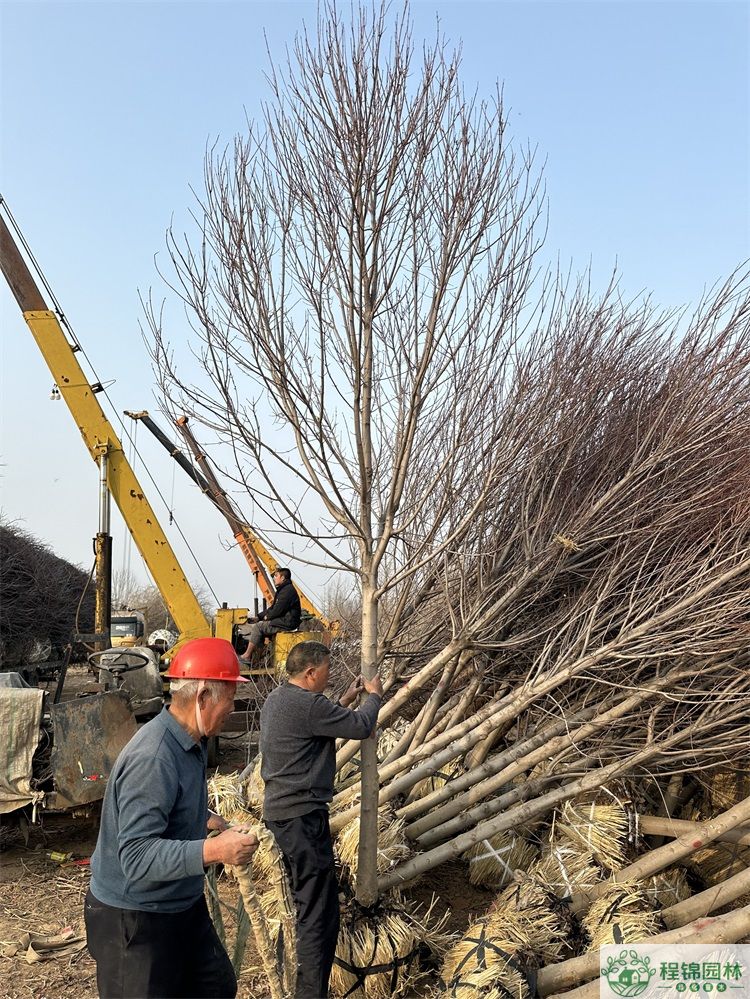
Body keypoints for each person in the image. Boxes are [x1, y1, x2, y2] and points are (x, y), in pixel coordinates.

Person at [84, 637, 259, 999]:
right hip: (134, 918)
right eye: (230, 697)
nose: (232, 707)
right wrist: (215, 851)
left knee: (216, 986)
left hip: (179, 903)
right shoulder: (154, 757)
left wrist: (208, 820)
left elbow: (169, 804)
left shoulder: (190, 741)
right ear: (203, 697)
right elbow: (136, 857)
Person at [260, 640, 383, 999]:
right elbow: (361, 727)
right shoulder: (308, 706)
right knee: (319, 915)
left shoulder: (278, 700)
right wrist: (373, 696)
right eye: (326, 673)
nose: (329, 679)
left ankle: (298, 984)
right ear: (311, 672)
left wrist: (343, 700)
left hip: (282, 816)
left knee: (300, 904)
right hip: (302, 819)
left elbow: (319, 722)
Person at [239, 566, 302, 662]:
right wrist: (259, 617)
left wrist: (266, 617)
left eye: (276, 576)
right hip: (285, 620)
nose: (274, 578)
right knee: (260, 625)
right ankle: (257, 659)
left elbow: (277, 610)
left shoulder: (287, 591)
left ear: (282, 578)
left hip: (287, 623)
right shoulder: (283, 590)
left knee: (258, 627)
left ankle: (247, 656)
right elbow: (272, 608)